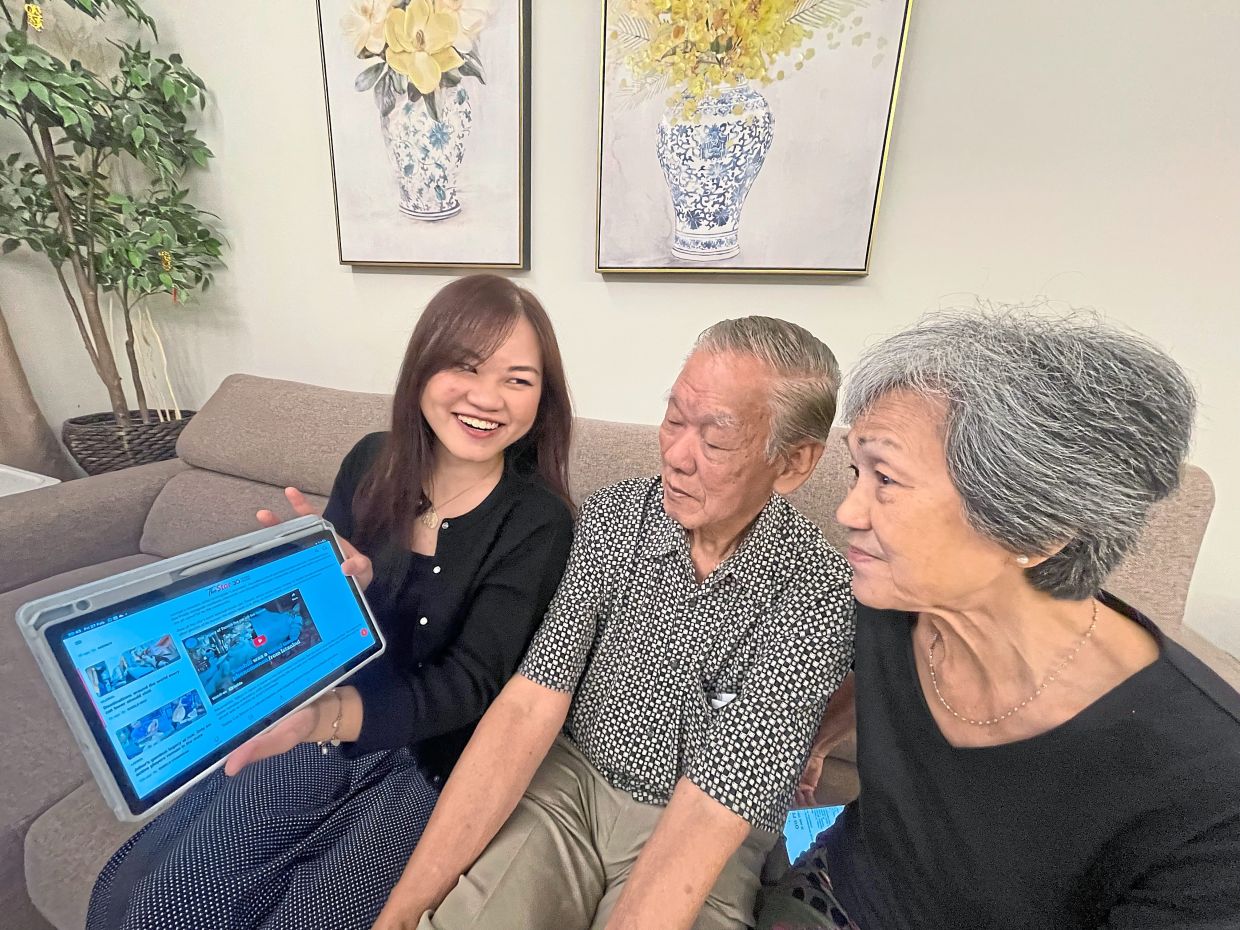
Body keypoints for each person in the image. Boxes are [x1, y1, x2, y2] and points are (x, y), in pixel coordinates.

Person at [86, 274, 577, 930]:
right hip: (318, 723)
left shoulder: (538, 520)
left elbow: (470, 685)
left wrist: (333, 716)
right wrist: (320, 587)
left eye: (517, 379)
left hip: (426, 763)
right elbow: (308, 637)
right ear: (423, 369)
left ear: (543, 397)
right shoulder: (373, 460)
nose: (487, 398)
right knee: (157, 901)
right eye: (465, 366)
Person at [757, 309, 1240, 930]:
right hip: (828, 892)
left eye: (887, 479)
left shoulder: (1208, 785)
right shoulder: (887, 605)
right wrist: (819, 739)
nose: (848, 511)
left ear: (1036, 529)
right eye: (857, 471)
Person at [374, 317, 856, 930]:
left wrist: (820, 745)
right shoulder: (614, 519)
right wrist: (399, 915)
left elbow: (718, 803)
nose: (676, 457)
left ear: (793, 462)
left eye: (714, 440)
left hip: (704, 824)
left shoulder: (819, 589)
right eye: (674, 419)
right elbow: (530, 703)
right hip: (571, 786)